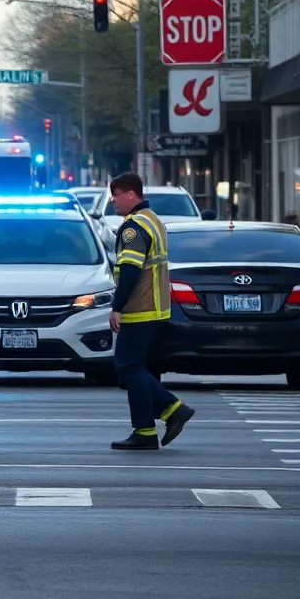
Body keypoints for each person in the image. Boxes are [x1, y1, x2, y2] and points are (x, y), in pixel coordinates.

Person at [108, 171, 195, 450]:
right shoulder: (154, 220)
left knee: (127, 368)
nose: (112, 201)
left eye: (116, 194)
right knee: (137, 370)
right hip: (156, 310)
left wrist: (116, 307)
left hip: (140, 309)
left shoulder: (133, 227)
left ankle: (173, 409)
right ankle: (145, 431)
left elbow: (131, 271)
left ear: (131, 194)